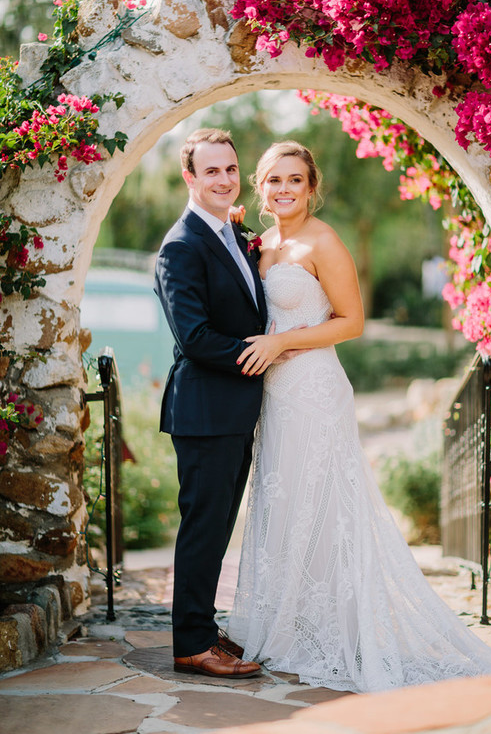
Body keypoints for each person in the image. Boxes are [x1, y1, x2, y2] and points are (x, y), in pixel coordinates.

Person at [227, 140, 491, 693]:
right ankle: (291, 626)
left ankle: (339, 629)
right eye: (274, 180)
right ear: (259, 188)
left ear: (312, 186)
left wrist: (284, 339)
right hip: (274, 392)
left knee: (324, 503)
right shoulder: (260, 242)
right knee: (283, 499)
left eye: (295, 179)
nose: (284, 189)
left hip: (314, 387)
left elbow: (352, 320)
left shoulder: (324, 241)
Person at [154, 128, 267, 679]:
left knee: (219, 526)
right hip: (204, 411)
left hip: (232, 410)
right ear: (190, 177)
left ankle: (201, 626)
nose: (224, 180)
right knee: (203, 527)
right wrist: (263, 352)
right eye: (212, 171)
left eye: (230, 169)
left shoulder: (233, 233)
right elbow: (194, 337)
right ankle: (191, 645)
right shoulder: (181, 245)